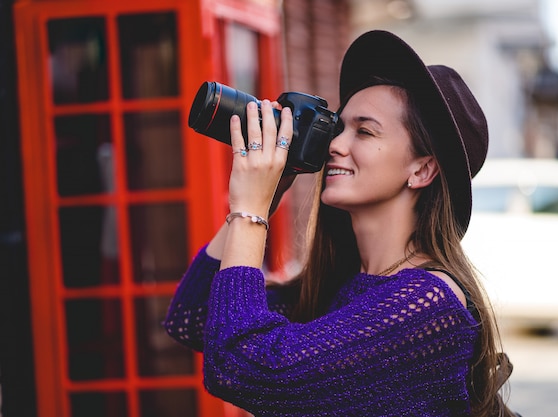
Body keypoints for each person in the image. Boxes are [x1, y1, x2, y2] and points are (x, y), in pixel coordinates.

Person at [164, 30, 517, 417]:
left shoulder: (427, 303)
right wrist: (274, 190)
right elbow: (193, 316)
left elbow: (242, 368)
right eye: (338, 128)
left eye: (364, 131)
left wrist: (251, 208)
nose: (336, 144)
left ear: (422, 168)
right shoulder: (344, 285)